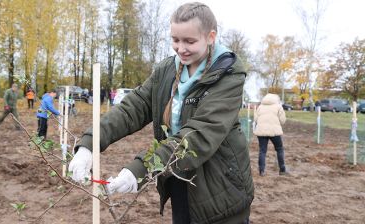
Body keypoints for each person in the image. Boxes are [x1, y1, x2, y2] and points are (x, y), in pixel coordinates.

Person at [68, 2, 253, 224]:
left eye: (189, 41)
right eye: (175, 40)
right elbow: (132, 108)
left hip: (220, 189)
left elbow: (198, 135)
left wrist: (141, 168)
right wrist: (90, 144)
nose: (180, 48)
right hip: (177, 178)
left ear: (210, 37)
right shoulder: (167, 71)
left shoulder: (228, 76)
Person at [253, 93, 287, 176]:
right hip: (274, 131)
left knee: (262, 151)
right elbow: (283, 120)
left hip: (261, 131)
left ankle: (261, 171)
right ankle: (282, 170)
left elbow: (255, 119)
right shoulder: (278, 106)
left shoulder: (260, 107)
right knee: (279, 149)